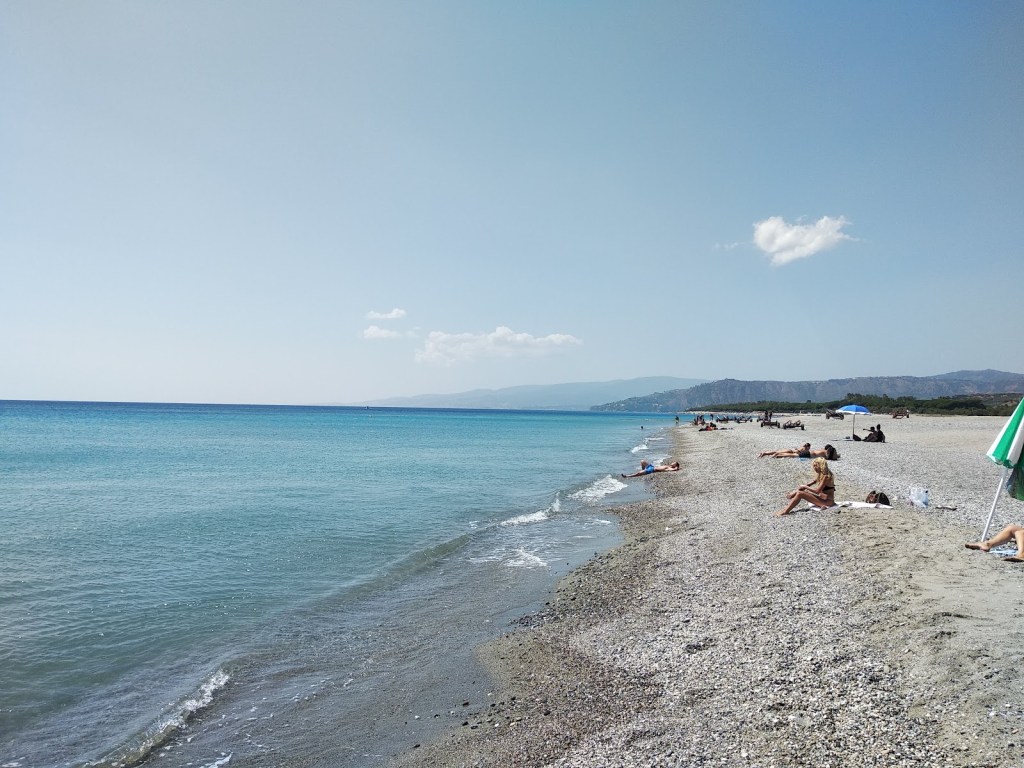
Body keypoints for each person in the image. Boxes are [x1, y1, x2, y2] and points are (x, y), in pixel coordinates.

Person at [759, 444, 840, 460]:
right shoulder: (826, 452)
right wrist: (837, 456)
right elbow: (830, 457)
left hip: (809, 453)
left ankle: (778, 454)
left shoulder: (822, 450)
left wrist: (837, 455)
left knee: (793, 455)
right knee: (793, 455)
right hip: (809, 454)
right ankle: (778, 455)